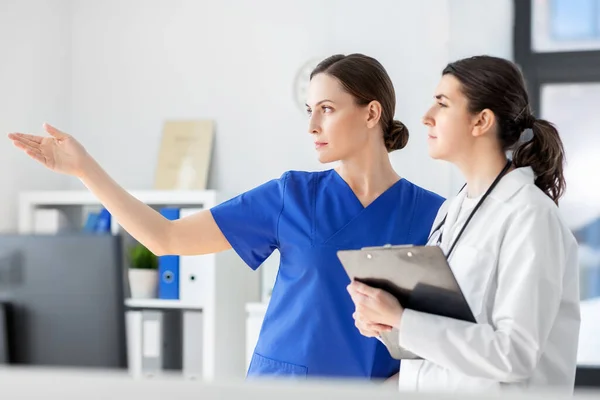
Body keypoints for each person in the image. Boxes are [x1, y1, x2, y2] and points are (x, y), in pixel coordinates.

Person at [7, 53, 444, 380]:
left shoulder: (434, 214)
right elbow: (167, 239)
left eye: (326, 109)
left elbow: (442, 333)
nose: (311, 125)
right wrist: (85, 169)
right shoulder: (292, 194)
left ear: (371, 112)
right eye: (308, 110)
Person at [347, 55, 581, 392]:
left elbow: (513, 355)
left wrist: (402, 319)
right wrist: (385, 323)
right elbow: (442, 336)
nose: (426, 118)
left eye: (442, 104)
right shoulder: (453, 209)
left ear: (481, 121)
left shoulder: (530, 215)